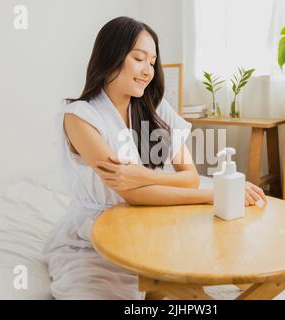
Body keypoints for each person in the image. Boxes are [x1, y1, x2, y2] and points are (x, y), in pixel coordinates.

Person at [42, 16, 267, 300]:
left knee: (211, 262)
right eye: (139, 58)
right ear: (110, 56)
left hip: (155, 219)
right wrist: (212, 194)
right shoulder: (79, 117)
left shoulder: (154, 106)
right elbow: (132, 193)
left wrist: (141, 175)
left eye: (152, 62)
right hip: (96, 234)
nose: (148, 70)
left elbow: (191, 176)